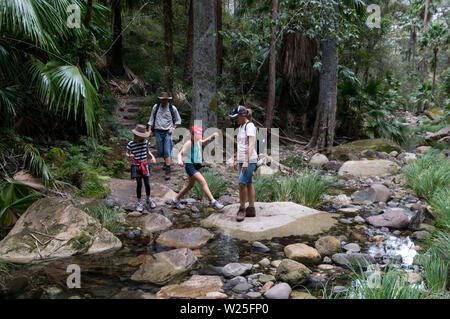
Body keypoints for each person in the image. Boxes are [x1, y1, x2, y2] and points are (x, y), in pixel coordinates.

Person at [170, 125, 224, 210]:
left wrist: (211, 136)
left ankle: (175, 200)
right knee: (203, 182)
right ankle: (213, 202)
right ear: (191, 134)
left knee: (190, 186)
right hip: (190, 166)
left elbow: (203, 142)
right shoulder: (189, 143)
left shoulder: (198, 140)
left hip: (196, 165)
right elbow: (180, 153)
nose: (197, 138)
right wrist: (179, 160)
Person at [229, 105, 257, 222]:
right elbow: (241, 145)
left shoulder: (249, 126)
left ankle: (242, 209)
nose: (235, 119)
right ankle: (251, 209)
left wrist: (246, 161)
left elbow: (251, 145)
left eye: (237, 117)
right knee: (248, 183)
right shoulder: (241, 126)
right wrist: (236, 159)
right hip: (242, 159)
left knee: (241, 183)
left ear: (242, 115)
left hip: (249, 159)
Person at [147, 92, 182, 180]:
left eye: (165, 100)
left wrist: (173, 128)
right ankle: (166, 163)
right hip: (158, 131)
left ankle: (167, 172)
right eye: (162, 100)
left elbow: (178, 120)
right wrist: (149, 129)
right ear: (160, 99)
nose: (163, 101)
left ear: (168, 100)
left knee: (167, 151)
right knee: (160, 152)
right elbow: (151, 119)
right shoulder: (156, 107)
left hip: (167, 132)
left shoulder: (172, 108)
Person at [126, 124, 157, 212]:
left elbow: (148, 151)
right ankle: (139, 202)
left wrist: (153, 157)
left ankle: (148, 199)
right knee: (139, 184)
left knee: (147, 183)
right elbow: (127, 153)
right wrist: (129, 155)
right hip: (136, 165)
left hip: (144, 164)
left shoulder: (146, 142)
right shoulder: (131, 144)